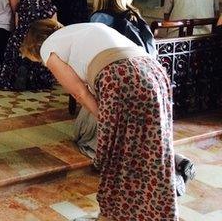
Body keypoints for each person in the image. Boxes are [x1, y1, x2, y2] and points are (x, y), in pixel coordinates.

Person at [21, 19, 178, 220]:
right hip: (154, 71)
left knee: (117, 153)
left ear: (34, 46)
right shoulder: (80, 28)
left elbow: (80, 93)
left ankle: (115, 215)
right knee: (153, 148)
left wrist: (103, 119)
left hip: (122, 76)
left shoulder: (48, 48)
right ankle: (157, 213)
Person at [88, 0, 195, 196]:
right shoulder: (136, 15)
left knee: (89, 139)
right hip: (153, 79)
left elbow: (96, 59)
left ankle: (163, 178)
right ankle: (176, 163)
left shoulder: (100, 18)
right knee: (150, 133)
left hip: (123, 84)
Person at [0, 0, 56, 91]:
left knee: (16, 54)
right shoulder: (50, 7)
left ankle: (15, 75)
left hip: (18, 41)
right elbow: (53, 29)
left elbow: (17, 24)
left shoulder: (23, 3)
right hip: (37, 42)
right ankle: (32, 78)